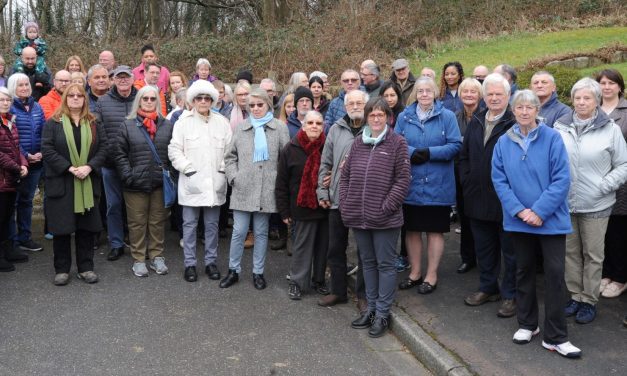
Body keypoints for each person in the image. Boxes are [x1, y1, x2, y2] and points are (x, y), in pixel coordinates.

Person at [492, 89, 581, 358]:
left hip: (550, 220)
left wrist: (539, 211)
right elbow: (499, 181)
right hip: (519, 222)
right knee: (523, 271)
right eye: (519, 107)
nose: (524, 111)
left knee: (554, 275)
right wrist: (520, 211)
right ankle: (527, 324)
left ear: (536, 110)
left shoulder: (553, 138)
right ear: (513, 111)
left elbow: (561, 179)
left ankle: (555, 336)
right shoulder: (503, 143)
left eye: (529, 107)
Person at [554, 77, 627, 324]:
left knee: (594, 255)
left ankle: (589, 300)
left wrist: (604, 186)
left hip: (597, 203)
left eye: (587, 98)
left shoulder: (611, 129)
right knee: (570, 253)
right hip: (565, 202)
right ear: (572, 100)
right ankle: (575, 295)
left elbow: (624, 164)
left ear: (597, 101)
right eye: (578, 98)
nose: (582, 102)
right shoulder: (559, 127)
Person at [341, 98, 411, 338]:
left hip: (385, 219)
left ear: (389, 118)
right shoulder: (358, 143)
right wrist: (347, 204)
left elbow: (403, 180)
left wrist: (386, 206)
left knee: (386, 265)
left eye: (381, 115)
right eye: (373, 115)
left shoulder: (397, 143)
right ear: (367, 118)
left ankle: (382, 313)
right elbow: (346, 176)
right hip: (359, 217)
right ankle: (370, 309)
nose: (377, 119)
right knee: (368, 263)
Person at [395, 76, 462, 294]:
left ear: (435, 93)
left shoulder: (447, 116)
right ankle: (415, 272)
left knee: (434, 231)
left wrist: (430, 153)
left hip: (438, 184)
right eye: (420, 91)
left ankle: (431, 275)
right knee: (412, 230)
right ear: (415, 93)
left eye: (428, 91)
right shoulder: (404, 116)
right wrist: (413, 152)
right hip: (411, 183)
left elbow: (455, 145)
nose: (424, 94)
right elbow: (396, 143)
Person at [459, 73, 517, 318]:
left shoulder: (515, 122)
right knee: (484, 248)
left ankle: (510, 295)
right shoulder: (477, 120)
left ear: (508, 96)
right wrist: (468, 180)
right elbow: (464, 155)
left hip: (506, 200)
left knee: (511, 251)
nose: (493, 98)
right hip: (477, 196)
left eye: (498, 94)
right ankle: (487, 287)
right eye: (490, 94)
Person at [220, 88, 290, 290]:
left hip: (267, 188)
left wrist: (279, 182)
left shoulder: (279, 127)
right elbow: (230, 157)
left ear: (268, 104)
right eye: (252, 105)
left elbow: (285, 159)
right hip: (243, 187)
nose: (256, 108)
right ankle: (233, 270)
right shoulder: (241, 128)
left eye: (260, 104)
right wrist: (234, 177)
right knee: (239, 231)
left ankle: (258, 272)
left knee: (260, 232)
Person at [42, 83, 107, 286]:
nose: (76, 98)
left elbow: (104, 148)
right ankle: (61, 269)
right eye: (71, 95)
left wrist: (89, 167)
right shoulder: (53, 122)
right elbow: (47, 148)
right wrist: (69, 168)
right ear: (65, 98)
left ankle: (86, 267)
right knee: (62, 228)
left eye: (80, 95)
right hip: (63, 181)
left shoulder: (94, 122)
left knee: (86, 227)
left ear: (85, 99)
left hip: (87, 181)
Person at [169, 80, 231, 282]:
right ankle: (190, 264)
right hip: (191, 183)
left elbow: (230, 150)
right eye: (199, 98)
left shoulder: (222, 122)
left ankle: (211, 262)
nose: (203, 101)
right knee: (189, 225)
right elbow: (174, 150)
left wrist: (222, 170)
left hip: (215, 183)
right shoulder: (183, 123)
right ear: (193, 101)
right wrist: (188, 170)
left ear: (212, 100)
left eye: (207, 98)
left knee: (212, 225)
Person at [316, 90, 370, 310]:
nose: (355, 106)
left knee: (364, 251)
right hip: (337, 198)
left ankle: (364, 295)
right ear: (345, 106)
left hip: (365, 201)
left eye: (359, 102)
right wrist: (322, 190)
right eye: (351, 103)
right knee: (335, 248)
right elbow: (325, 163)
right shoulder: (336, 129)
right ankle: (338, 291)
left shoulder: (373, 128)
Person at [113, 86, 174, 277]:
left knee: (157, 221)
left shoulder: (167, 125)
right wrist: (128, 175)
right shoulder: (127, 124)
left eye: (152, 98)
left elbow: (174, 152)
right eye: (145, 98)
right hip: (135, 184)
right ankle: (139, 259)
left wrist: (169, 174)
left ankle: (157, 256)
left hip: (158, 182)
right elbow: (119, 153)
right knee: (137, 223)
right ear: (138, 101)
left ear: (158, 101)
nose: (149, 101)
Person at [276, 111, 328, 299]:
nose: (314, 126)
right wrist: (284, 211)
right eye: (310, 122)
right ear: (303, 125)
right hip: (301, 208)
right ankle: (297, 282)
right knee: (302, 248)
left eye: (319, 123)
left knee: (323, 248)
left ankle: (319, 280)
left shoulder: (328, 147)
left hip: (324, 206)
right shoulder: (290, 148)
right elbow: (281, 183)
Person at [94, 65, 137, 261]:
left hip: (136, 164)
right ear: (113, 80)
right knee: (113, 205)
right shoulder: (103, 101)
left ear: (132, 79)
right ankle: (116, 243)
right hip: (111, 164)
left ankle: (137, 243)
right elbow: (100, 132)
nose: (122, 81)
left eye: (126, 77)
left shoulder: (143, 98)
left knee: (135, 206)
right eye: (119, 78)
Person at [596, 69, 627, 299]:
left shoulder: (625, 111)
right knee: (600, 232)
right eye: (602, 83)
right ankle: (605, 273)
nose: (606, 87)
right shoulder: (592, 110)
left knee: (618, 233)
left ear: (619, 86)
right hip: (595, 182)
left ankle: (619, 277)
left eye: (611, 83)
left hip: (621, 182)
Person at [7, 73, 45, 253]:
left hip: (37, 162)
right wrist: (26, 155)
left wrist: (41, 152)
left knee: (27, 201)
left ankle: (25, 237)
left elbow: (44, 132)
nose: (24, 88)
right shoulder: (10, 108)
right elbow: (11, 139)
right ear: (13, 87)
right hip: (17, 163)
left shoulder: (37, 107)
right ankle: (11, 241)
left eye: (26, 85)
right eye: (20, 85)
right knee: (13, 202)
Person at [454, 78, 483, 273]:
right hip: (461, 174)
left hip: (481, 175)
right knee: (464, 218)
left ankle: (485, 257)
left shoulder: (485, 116)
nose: (469, 95)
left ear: (480, 95)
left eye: (473, 91)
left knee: (482, 219)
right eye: (465, 91)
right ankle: (467, 257)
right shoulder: (454, 118)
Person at [0, 87, 29, 271]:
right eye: (1, 100)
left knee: (6, 218)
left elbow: (17, 148)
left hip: (10, 180)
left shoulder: (10, 121)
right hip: (2, 180)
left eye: (7, 100)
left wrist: (24, 163)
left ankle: (7, 250)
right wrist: (17, 168)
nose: (5, 103)